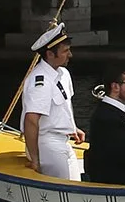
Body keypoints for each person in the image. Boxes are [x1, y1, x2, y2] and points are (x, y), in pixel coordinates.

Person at [19, 24, 83, 179]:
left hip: (62, 140)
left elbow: (62, 108)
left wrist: (72, 127)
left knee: (75, 184)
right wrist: (35, 159)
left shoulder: (63, 74)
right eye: (65, 51)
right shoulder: (40, 81)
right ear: (49, 54)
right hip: (47, 143)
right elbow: (31, 120)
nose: (70, 55)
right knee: (67, 190)